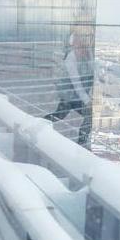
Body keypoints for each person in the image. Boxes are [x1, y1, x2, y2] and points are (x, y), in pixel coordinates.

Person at [45, 9, 95, 146]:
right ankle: (81, 145)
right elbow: (76, 82)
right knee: (63, 115)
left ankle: (82, 144)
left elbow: (92, 73)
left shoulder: (88, 53)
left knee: (59, 115)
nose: (87, 40)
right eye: (83, 37)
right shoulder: (72, 56)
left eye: (89, 36)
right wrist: (87, 101)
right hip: (71, 95)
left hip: (78, 95)